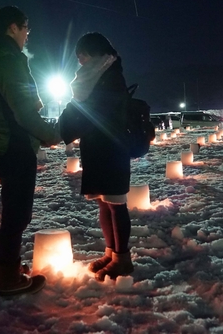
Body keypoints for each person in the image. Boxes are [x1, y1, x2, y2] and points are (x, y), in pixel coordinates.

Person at [0, 6, 61, 296]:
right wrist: (53, 134)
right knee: (17, 215)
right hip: (15, 145)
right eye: (25, 29)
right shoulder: (7, 62)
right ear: (12, 28)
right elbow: (25, 113)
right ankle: (8, 277)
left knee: (14, 212)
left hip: (0, 146)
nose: (27, 36)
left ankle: (10, 268)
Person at [59, 32, 134, 281]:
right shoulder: (94, 77)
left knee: (116, 203)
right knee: (104, 201)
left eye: (83, 54)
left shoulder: (110, 76)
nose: (80, 60)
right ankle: (111, 252)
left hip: (112, 148)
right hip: (96, 147)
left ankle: (122, 259)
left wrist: (64, 129)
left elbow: (96, 113)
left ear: (96, 53)